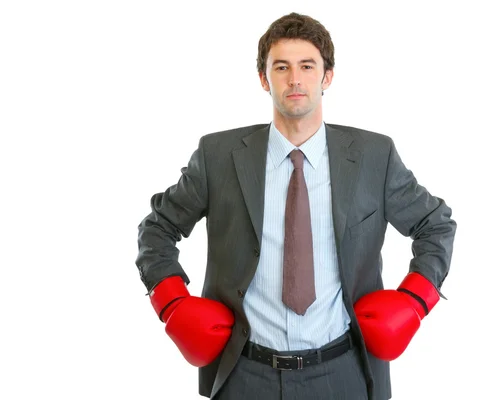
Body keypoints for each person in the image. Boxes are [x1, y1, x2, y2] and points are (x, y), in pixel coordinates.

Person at [135, 12, 457, 400]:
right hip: (245, 372)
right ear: (263, 78)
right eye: (281, 67)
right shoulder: (218, 156)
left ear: (327, 77)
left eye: (307, 66)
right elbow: (157, 228)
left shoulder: (375, 156)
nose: (295, 79)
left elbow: (434, 223)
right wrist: (170, 300)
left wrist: (415, 300)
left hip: (342, 371)